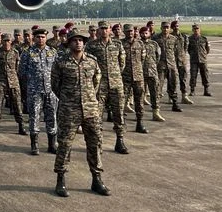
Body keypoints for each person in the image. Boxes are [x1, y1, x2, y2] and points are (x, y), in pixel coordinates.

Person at [51, 29, 110, 198]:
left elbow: (96, 82)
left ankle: (96, 179)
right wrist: (69, 99)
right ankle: (60, 180)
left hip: (91, 109)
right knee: (65, 145)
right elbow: (55, 85)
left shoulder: (92, 61)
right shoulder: (61, 62)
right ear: (69, 43)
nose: (78, 42)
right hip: (69, 110)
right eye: (74, 40)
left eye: (81, 40)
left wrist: (89, 98)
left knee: (95, 143)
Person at [86, 21, 129, 154]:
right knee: (97, 115)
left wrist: (115, 75)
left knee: (119, 114)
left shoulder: (117, 44)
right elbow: (88, 63)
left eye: (106, 28)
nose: (104, 31)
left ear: (110, 30)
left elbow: (122, 63)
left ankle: (120, 140)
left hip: (116, 84)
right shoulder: (92, 45)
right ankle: (98, 142)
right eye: (102, 28)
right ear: (98, 30)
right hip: (100, 85)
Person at [19, 28, 59, 155]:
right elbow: (22, 72)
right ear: (34, 38)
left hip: (50, 91)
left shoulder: (53, 52)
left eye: (43, 37)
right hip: (34, 91)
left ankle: (52, 144)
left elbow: (58, 71)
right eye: (38, 37)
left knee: (52, 117)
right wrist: (30, 86)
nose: (40, 39)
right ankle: (34, 145)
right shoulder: (27, 53)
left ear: (46, 38)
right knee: (34, 117)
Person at [0, 33, 25, 136]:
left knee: (17, 105)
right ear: (2, 42)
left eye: (8, 41)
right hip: (0, 82)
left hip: (13, 82)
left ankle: (21, 126)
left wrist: (17, 80)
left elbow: (17, 69)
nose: (6, 43)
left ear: (11, 41)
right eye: (4, 41)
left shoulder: (15, 53)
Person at [121, 24, 149, 134]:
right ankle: (122, 123)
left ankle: (140, 123)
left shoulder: (140, 43)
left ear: (134, 31)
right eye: (127, 31)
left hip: (138, 76)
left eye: (131, 31)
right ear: (124, 32)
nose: (130, 33)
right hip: (125, 76)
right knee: (122, 101)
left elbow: (142, 58)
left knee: (139, 101)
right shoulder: (120, 44)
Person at [152, 21, 183, 112]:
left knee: (173, 84)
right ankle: (156, 106)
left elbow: (177, 52)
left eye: (167, 27)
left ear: (170, 28)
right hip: (160, 66)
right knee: (158, 86)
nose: (165, 29)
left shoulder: (174, 39)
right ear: (161, 28)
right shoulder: (155, 38)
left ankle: (175, 103)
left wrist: (177, 63)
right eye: (164, 27)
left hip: (171, 65)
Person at [140, 27, 165, 122]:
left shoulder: (154, 44)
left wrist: (152, 66)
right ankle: (140, 114)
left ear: (150, 33)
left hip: (152, 72)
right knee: (140, 94)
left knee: (155, 93)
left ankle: (156, 112)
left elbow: (158, 57)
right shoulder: (137, 44)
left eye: (146, 33)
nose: (144, 35)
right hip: (140, 73)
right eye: (142, 33)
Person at [171, 20, 194, 104]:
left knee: (183, 79)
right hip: (172, 61)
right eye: (174, 26)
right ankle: (172, 96)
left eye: (177, 26)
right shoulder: (170, 37)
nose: (176, 27)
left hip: (182, 60)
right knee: (172, 80)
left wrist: (183, 57)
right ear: (172, 27)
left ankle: (184, 96)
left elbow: (185, 48)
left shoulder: (183, 36)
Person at [187, 24, 211, 96]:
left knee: (205, 75)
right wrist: (192, 54)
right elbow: (188, 49)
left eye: (197, 28)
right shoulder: (190, 39)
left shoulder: (204, 38)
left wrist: (204, 55)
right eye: (194, 29)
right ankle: (192, 90)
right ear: (192, 30)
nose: (196, 30)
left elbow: (207, 49)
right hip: (194, 60)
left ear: (199, 29)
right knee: (193, 75)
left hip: (203, 60)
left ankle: (206, 90)